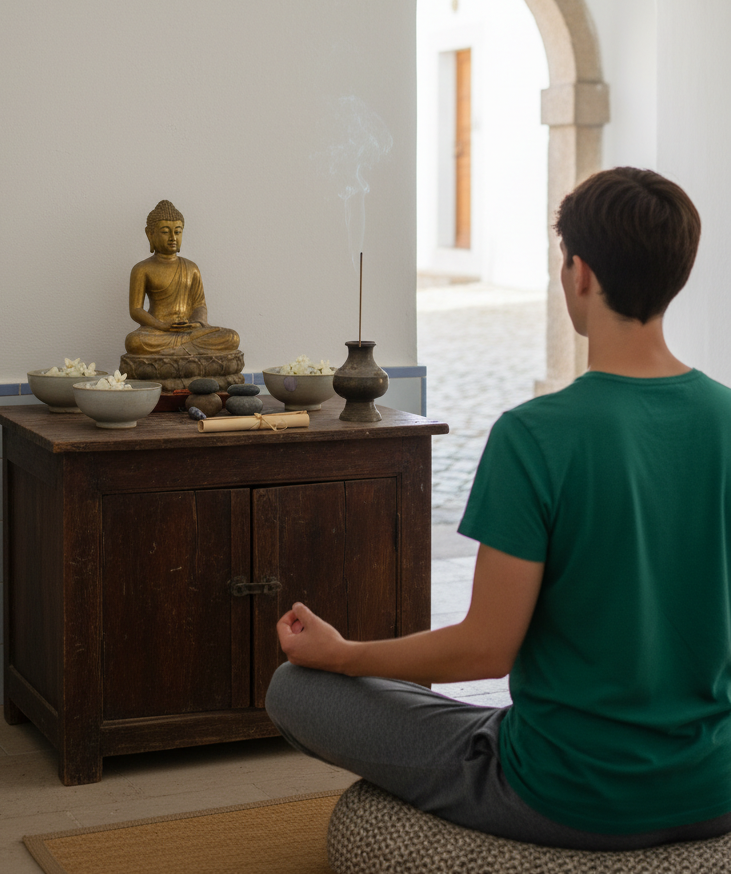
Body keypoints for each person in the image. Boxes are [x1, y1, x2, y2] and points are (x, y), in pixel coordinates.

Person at [266, 167, 731, 849]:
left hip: (564, 789)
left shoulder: (536, 433)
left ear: (579, 274)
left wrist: (344, 654)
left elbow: (487, 648)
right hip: (712, 784)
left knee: (294, 689)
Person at [124, 199, 240, 357]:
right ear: (150, 234)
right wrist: (162, 326)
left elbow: (200, 305)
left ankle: (176, 352)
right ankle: (186, 352)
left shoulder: (191, 268)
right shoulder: (142, 269)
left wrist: (196, 323)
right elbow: (136, 310)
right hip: (159, 332)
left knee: (231, 337)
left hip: (190, 331)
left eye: (177, 232)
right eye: (165, 232)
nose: (172, 237)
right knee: (134, 342)